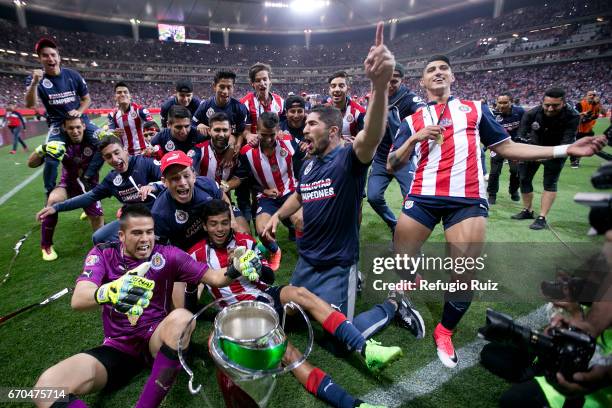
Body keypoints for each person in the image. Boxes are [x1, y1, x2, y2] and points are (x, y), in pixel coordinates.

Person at [387, 55, 605, 368]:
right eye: (430, 70)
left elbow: (506, 147)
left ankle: (444, 331)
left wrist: (564, 149)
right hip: (423, 195)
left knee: (463, 275)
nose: (437, 72)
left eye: (443, 68)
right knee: (401, 258)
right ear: (421, 82)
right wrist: (413, 140)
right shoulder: (412, 120)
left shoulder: (475, 109)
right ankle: (413, 275)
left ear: (452, 77)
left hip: (468, 201)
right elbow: (393, 164)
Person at [262, 23, 424, 341]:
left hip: (337, 264)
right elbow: (299, 193)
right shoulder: (309, 162)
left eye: (311, 123)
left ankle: (394, 304)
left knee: (338, 336)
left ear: (333, 132)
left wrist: (378, 86)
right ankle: (356, 286)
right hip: (308, 262)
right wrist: (277, 216)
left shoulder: (350, 159)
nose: (304, 128)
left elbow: (373, 134)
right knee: (292, 318)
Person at [32, 204, 261, 408]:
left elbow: (214, 277)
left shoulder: (168, 255)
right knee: (46, 388)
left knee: (182, 318)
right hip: (118, 347)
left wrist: (236, 267)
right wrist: (107, 292)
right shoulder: (103, 254)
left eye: (149, 232)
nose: (145, 239)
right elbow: (79, 298)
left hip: (156, 339)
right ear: (121, 236)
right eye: (137, 233)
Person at [189, 199, 400, 408]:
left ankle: (366, 349)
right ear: (205, 225)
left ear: (230, 221)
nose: (220, 229)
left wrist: (256, 267)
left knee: (299, 293)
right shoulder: (196, 255)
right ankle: (354, 405)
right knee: (289, 353)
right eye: (214, 223)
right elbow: (190, 297)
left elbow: (269, 277)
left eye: (224, 222)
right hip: (244, 317)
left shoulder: (245, 241)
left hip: (267, 297)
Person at [36, 135, 162, 244]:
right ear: (104, 159)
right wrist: (56, 207)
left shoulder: (145, 163)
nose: (114, 159)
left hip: (158, 214)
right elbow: (88, 197)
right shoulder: (112, 179)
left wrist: (154, 186)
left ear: (125, 150)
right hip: (134, 218)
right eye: (108, 156)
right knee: (99, 237)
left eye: (116, 152)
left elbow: (170, 181)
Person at [151, 150, 234, 310]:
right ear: (164, 182)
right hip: (183, 255)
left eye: (186, 175)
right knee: (183, 310)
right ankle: (197, 281)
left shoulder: (207, 185)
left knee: (241, 230)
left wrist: (233, 224)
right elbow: (160, 253)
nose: (182, 182)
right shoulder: (160, 213)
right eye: (174, 178)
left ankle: (205, 275)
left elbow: (223, 198)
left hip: (210, 240)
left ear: (194, 176)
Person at [24, 37, 103, 195]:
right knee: (52, 159)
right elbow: (30, 105)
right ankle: (50, 194)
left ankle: (87, 177)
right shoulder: (36, 79)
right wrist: (34, 83)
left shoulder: (72, 75)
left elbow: (87, 99)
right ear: (40, 59)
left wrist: (80, 111)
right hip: (58, 125)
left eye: (53, 54)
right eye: (45, 55)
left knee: (105, 143)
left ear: (59, 57)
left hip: (80, 120)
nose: (50, 58)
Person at [227, 112, 302, 271]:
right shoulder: (247, 152)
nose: (268, 139)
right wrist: (263, 190)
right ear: (257, 130)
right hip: (267, 197)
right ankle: (276, 251)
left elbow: (306, 150)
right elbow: (245, 179)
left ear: (278, 130)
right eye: (263, 135)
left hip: (290, 192)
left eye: (272, 135)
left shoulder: (288, 141)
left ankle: (306, 252)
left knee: (300, 221)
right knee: (262, 230)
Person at [28, 117, 104, 261]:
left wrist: (113, 138)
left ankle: (99, 246)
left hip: (89, 186)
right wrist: (42, 149)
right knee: (52, 202)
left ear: (84, 126)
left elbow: (116, 151)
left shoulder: (94, 141)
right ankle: (46, 246)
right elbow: (31, 164)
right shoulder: (60, 143)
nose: (75, 131)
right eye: (70, 128)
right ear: (64, 129)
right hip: (68, 185)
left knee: (97, 218)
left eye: (78, 127)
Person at [367, 62, 426, 233]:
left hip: (404, 158)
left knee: (412, 200)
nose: (390, 84)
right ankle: (394, 225)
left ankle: (411, 238)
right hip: (381, 158)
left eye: (395, 80)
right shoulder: (376, 97)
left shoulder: (410, 98)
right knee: (373, 197)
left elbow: (422, 111)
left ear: (402, 80)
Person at [512, 87, 580, 230]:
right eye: (546, 105)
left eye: (555, 105)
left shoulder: (573, 115)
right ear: (542, 102)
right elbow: (521, 135)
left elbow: (567, 141)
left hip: (556, 152)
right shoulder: (531, 113)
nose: (550, 109)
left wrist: (548, 155)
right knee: (524, 179)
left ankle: (542, 217)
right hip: (532, 150)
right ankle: (527, 211)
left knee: (549, 183)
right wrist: (529, 152)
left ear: (564, 103)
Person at [198, 112, 250, 233]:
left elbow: (239, 177)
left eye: (225, 130)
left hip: (225, 202)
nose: (221, 134)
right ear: (210, 131)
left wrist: (224, 187)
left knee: (244, 234)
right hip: (201, 203)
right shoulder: (198, 151)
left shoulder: (237, 153)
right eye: (217, 130)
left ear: (231, 131)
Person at [191, 70, 247, 160]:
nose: (225, 91)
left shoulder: (240, 108)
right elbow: (191, 125)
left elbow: (241, 132)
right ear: (214, 86)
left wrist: (236, 145)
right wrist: (198, 126)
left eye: (229, 87)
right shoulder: (205, 105)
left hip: (229, 150)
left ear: (233, 87)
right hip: (208, 151)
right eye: (222, 87)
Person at [486, 92, 525, 204]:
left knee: (515, 170)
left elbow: (525, 127)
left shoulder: (520, 112)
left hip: (514, 146)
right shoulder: (492, 114)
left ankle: (513, 191)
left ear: (511, 102)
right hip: (498, 146)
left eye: (505, 102)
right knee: (494, 172)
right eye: (500, 102)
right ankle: (492, 195)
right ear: (496, 103)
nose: (502, 105)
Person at [150, 105, 207, 172]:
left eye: (186, 126)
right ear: (168, 125)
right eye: (178, 127)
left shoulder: (199, 134)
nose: (184, 131)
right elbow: (150, 151)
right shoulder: (162, 136)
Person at [107, 82, 153, 156]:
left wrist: (150, 141)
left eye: (125, 92)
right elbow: (110, 135)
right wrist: (114, 133)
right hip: (126, 155)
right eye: (119, 92)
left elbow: (154, 127)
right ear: (115, 97)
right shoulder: (112, 115)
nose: (122, 94)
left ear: (130, 96)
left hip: (144, 153)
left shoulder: (140, 110)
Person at [327, 71, 365, 143]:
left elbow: (366, 140)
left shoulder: (359, 112)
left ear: (348, 89)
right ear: (329, 90)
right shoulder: (323, 111)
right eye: (333, 86)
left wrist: (358, 143)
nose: (337, 89)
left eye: (341, 86)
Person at [571, 90, 603, 168]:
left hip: (588, 129)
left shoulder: (596, 105)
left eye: (594, 95)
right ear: (586, 96)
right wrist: (584, 118)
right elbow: (574, 115)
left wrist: (596, 105)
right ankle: (574, 161)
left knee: (589, 145)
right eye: (590, 95)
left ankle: (576, 160)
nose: (592, 96)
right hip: (579, 129)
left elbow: (596, 115)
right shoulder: (580, 104)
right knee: (577, 145)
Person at [280, 94, 308, 178]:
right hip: (287, 180)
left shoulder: (312, 128)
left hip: (308, 177)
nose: (296, 116)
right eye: (292, 111)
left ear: (304, 112)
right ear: (286, 112)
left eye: (300, 111)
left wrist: (311, 142)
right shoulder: (279, 130)